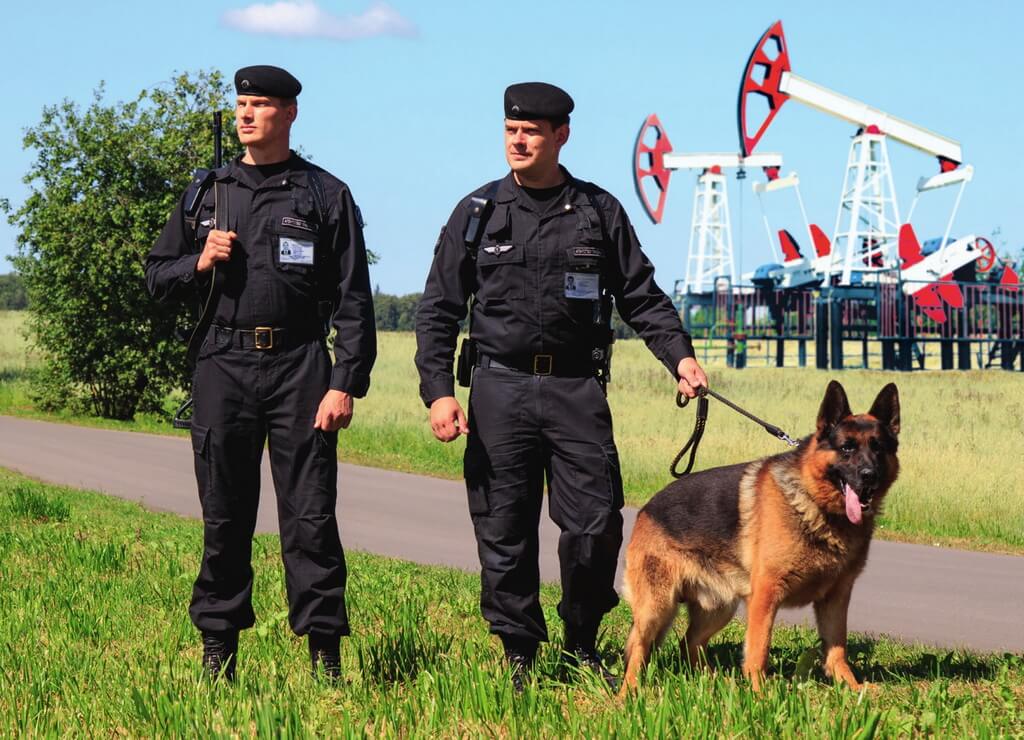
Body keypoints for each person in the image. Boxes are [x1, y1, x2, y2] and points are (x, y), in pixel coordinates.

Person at [414, 82, 707, 690]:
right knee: (504, 526)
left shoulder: (597, 212)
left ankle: (580, 641)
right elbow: (438, 308)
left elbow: (641, 296)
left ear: (560, 136)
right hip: (499, 389)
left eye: (532, 131)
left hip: (576, 391)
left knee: (596, 527)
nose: (518, 140)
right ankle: (518, 652)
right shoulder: (477, 214)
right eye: (510, 130)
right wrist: (439, 390)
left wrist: (679, 357)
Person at [145, 65, 376, 681]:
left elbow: (354, 300)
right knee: (225, 515)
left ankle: (325, 655)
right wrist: (199, 260)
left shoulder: (325, 194)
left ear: (290, 114)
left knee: (310, 518)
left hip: (301, 367)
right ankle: (219, 651)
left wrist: (344, 382)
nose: (247, 114)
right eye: (242, 104)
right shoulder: (207, 192)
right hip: (222, 364)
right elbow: (155, 277)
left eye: (262, 105)